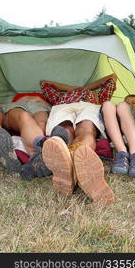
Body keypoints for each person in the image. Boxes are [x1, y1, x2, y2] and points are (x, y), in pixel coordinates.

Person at [40, 74, 117, 206]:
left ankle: (70, 170)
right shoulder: (60, 96)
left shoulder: (100, 96)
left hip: (90, 106)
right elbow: (44, 83)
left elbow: (112, 78)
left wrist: (86, 89)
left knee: (87, 128)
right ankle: (78, 171)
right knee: (65, 129)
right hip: (63, 105)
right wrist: (79, 89)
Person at [0, 93, 67, 180]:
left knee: (36, 122)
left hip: (38, 107)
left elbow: (44, 101)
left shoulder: (42, 101)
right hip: (11, 107)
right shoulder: (14, 99)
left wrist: (44, 103)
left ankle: (39, 154)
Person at [101, 95, 135, 177]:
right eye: (128, 102)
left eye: (133, 103)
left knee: (123, 106)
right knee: (107, 104)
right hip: (112, 124)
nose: (130, 103)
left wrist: (126, 105)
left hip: (128, 121)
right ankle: (122, 153)